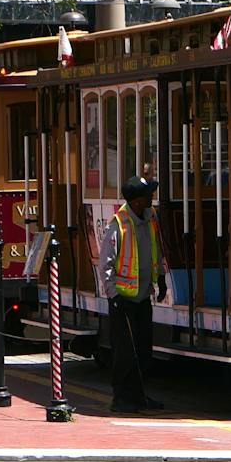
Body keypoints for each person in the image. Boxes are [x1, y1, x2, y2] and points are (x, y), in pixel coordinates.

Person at [100, 174, 169, 413]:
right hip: (123, 300)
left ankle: (140, 397)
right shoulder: (118, 224)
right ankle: (121, 399)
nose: (152, 196)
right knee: (124, 354)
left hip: (142, 297)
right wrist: (113, 296)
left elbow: (155, 251)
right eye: (148, 193)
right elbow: (106, 265)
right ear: (138, 200)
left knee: (143, 351)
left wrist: (160, 278)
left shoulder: (150, 218)